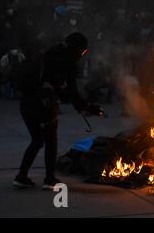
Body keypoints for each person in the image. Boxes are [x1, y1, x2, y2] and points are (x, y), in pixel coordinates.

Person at [13, 32, 103, 189]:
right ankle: (49, 179)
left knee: (37, 140)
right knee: (51, 141)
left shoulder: (50, 53)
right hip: (44, 104)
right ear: (78, 49)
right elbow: (71, 93)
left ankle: (21, 176)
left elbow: (55, 85)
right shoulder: (68, 62)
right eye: (83, 52)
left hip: (26, 103)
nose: (82, 55)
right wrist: (87, 107)